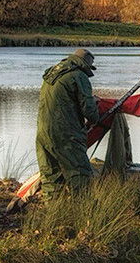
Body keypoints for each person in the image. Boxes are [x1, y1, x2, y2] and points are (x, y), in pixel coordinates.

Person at [36, 48, 99, 199]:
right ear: (85, 65)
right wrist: (95, 109)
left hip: (43, 133)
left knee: (51, 176)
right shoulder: (79, 76)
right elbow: (89, 111)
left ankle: (53, 214)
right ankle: (83, 212)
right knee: (80, 173)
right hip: (66, 134)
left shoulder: (52, 73)